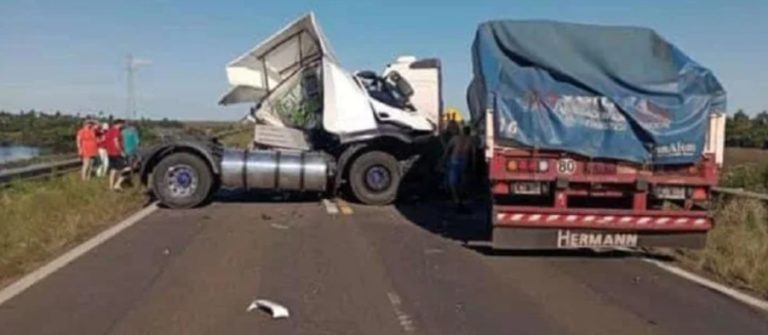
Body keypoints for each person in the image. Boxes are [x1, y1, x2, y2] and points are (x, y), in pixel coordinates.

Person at [443, 125, 475, 210]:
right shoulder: (470, 140)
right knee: (462, 180)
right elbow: (473, 154)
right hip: (464, 161)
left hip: (454, 160)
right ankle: (460, 198)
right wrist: (473, 165)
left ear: (462, 131)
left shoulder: (455, 138)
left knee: (452, 181)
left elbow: (447, 149)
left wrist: (443, 159)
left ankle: (456, 199)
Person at [115, 122, 140, 189]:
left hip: (124, 151)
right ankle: (119, 183)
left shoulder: (122, 132)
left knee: (126, 166)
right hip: (132, 152)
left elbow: (120, 141)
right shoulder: (134, 132)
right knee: (132, 167)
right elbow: (137, 142)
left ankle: (126, 180)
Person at [103, 119, 126, 190]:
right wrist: (121, 151)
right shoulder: (116, 131)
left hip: (110, 152)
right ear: (119, 124)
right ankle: (117, 184)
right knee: (126, 169)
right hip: (116, 153)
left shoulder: (109, 131)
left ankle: (111, 186)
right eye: (122, 124)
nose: (123, 126)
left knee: (113, 169)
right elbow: (116, 141)